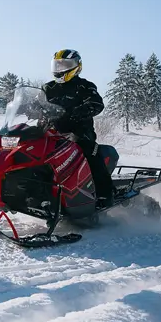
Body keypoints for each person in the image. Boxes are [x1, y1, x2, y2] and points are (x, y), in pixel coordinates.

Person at [42, 49, 115, 209]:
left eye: (65, 65)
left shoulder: (84, 86)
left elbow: (97, 103)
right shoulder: (48, 88)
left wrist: (82, 110)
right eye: (57, 65)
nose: (60, 70)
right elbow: (37, 103)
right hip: (52, 133)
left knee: (90, 153)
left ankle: (104, 195)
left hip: (79, 133)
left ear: (76, 66)